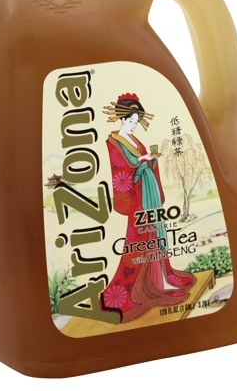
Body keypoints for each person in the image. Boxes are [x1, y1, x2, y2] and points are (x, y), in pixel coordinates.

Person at [101, 93, 196, 322]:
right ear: (122, 119)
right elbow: (121, 172)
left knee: (153, 235)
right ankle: (125, 293)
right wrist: (140, 163)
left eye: (136, 122)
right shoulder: (113, 142)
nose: (133, 125)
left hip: (148, 193)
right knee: (138, 242)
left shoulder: (135, 141)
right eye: (130, 121)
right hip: (137, 199)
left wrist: (150, 159)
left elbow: (140, 162)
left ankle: (157, 281)